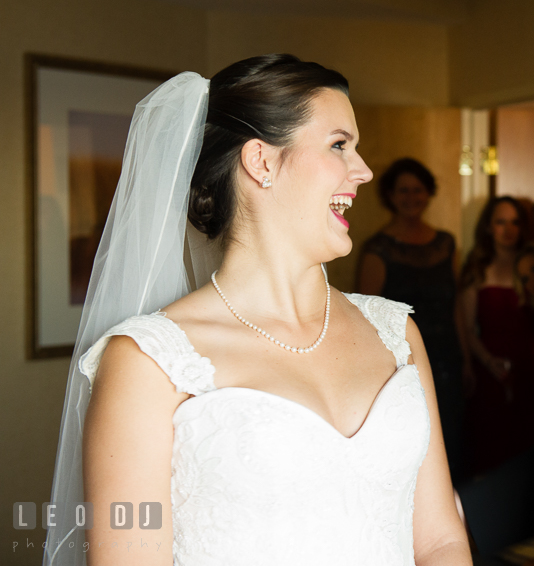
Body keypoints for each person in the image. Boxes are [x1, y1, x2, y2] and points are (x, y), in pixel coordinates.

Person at [44, 55, 470, 566]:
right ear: (261, 162)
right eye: (339, 145)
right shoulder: (148, 362)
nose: (363, 170)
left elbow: (442, 541)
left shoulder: (395, 332)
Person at [357, 157, 468, 481]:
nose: (411, 197)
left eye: (417, 190)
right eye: (403, 191)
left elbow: (457, 305)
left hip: (447, 358)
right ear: (390, 196)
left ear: (428, 194)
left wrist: (467, 360)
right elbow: (369, 319)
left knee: (452, 441)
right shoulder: (378, 249)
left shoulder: (446, 243)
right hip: (403, 363)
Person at [458, 197, 534, 477]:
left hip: (532, 366)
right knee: (492, 446)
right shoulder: (477, 267)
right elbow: (465, 325)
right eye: (500, 222)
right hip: (489, 370)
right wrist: (486, 362)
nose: (508, 229)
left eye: (515, 222)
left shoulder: (533, 264)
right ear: (488, 227)